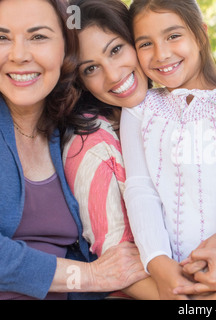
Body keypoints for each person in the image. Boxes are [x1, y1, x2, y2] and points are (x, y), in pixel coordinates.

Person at [62, 0, 216, 299]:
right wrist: (159, 264)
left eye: (173, 36)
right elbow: (141, 191)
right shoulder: (139, 111)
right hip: (179, 265)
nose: (161, 54)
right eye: (146, 43)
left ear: (200, 34)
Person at [0, 0, 149, 300]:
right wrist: (90, 277)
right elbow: (98, 271)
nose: (19, 55)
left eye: (38, 36)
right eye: (1, 38)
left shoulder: (71, 125)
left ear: (65, 49)